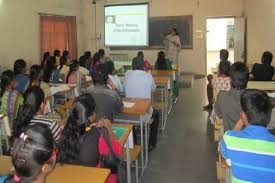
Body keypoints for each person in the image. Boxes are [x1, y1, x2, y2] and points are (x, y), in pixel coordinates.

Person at [58, 93, 123, 183]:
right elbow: (117, 153)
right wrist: (109, 130)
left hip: (69, 177)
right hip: (93, 177)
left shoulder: (65, 131)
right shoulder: (99, 134)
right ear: (92, 116)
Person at [220, 89, 275, 182]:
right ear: (269, 116)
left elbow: (223, 154)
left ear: (243, 115)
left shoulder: (230, 139)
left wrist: (242, 120)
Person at [124, 57, 159, 151]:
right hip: (144, 114)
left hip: (129, 114)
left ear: (132, 65)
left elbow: (124, 89)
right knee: (156, 115)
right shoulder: (148, 76)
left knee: (131, 123)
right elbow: (153, 89)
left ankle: (134, 143)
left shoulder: (127, 75)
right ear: (143, 66)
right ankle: (151, 144)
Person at [215, 62, 249, 132]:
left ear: (230, 79)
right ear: (247, 79)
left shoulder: (222, 95)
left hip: (230, 139)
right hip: (250, 140)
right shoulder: (254, 98)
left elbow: (219, 114)